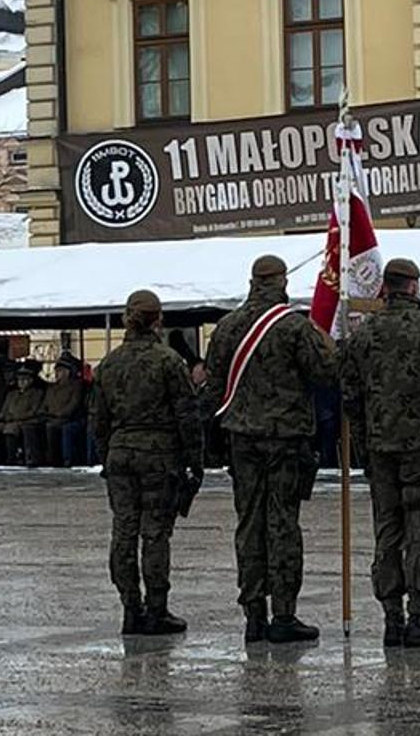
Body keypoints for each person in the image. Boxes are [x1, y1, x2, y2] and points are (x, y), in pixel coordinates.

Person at [201, 254, 335, 644]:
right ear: (282, 283)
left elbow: (213, 385)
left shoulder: (226, 328)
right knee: (282, 523)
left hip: (241, 439)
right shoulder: (293, 326)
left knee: (249, 523)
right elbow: (326, 373)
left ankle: (253, 614)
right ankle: (284, 614)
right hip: (286, 439)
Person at [339, 258, 420, 648]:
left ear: (385, 288)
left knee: (387, 532)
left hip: (380, 451)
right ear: (412, 287)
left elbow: (349, 396)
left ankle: (392, 619)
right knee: (419, 533)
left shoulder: (361, 335)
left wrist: (363, 444)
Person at [88, 289, 199, 635]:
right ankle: (156, 610)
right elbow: (187, 417)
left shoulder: (109, 363)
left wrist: (108, 455)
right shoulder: (168, 362)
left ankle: (130, 608)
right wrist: (195, 461)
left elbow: (98, 420)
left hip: (121, 454)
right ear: (158, 320)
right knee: (154, 535)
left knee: (123, 531)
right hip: (158, 455)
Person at [0, 362, 45, 465]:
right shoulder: (12, 394)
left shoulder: (36, 393)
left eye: (24, 379)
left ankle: (11, 458)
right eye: (19, 379)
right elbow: (4, 410)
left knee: (10, 430)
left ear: (30, 380)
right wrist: (4, 416)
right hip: (8, 421)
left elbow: (34, 411)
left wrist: (16, 417)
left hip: (25, 421)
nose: (21, 382)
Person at [43, 352, 88, 466]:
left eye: (60, 371)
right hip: (52, 417)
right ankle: (52, 459)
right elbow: (47, 404)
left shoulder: (77, 386)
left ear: (68, 372)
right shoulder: (52, 388)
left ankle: (68, 459)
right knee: (49, 427)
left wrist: (61, 414)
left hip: (71, 418)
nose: (57, 374)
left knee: (66, 429)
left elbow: (74, 404)